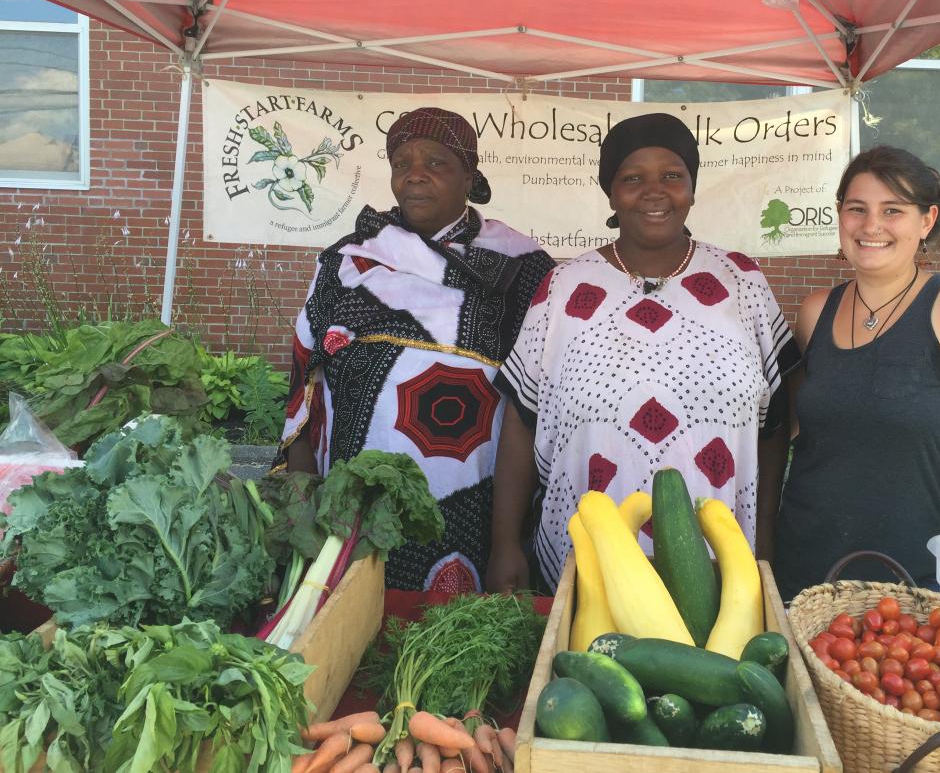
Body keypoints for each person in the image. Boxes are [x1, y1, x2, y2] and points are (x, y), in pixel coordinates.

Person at [486, 112, 800, 593]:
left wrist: (764, 542)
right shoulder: (564, 288)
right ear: (611, 193)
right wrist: (505, 542)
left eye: (672, 176)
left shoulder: (741, 281)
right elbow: (523, 418)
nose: (654, 191)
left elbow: (774, 425)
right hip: (589, 558)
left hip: (722, 560)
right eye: (632, 178)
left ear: (692, 188)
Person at [275, 107, 556, 592]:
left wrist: (511, 540)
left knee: (461, 639)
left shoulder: (523, 267)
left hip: (475, 501)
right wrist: (302, 501)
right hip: (357, 497)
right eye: (401, 163)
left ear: (470, 174)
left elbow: (536, 402)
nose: (415, 175)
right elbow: (306, 381)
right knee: (355, 625)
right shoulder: (349, 259)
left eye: (436, 162)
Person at [774, 145, 940, 598]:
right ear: (840, 216)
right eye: (857, 209)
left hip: (920, 575)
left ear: (926, 221)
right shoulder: (816, 311)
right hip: (806, 571)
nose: (871, 225)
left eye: (892, 210)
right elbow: (790, 429)